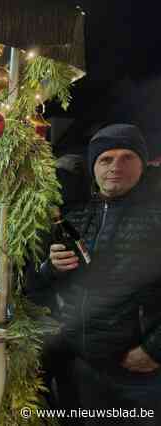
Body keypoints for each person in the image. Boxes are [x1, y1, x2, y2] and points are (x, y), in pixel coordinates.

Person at [40, 124, 161, 423]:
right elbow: (53, 280)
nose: (116, 167)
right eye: (106, 159)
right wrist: (51, 267)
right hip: (80, 360)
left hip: (136, 371)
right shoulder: (79, 215)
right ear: (94, 166)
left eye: (127, 157)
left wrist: (154, 350)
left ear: (142, 164)